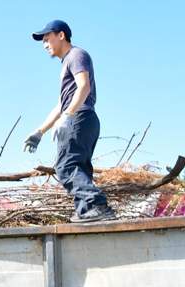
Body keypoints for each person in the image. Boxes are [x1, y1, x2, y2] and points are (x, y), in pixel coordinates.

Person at [23, 20, 116, 223]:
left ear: (61, 35)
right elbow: (61, 104)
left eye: (47, 39)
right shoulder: (66, 63)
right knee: (79, 167)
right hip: (82, 117)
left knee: (65, 165)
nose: (45, 44)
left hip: (79, 117)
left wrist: (68, 115)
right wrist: (40, 131)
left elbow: (84, 87)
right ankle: (86, 211)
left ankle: (97, 205)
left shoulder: (76, 55)